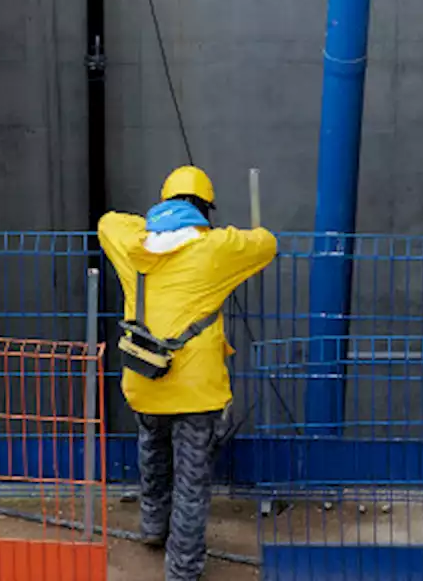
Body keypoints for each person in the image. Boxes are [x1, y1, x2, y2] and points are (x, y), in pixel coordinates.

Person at [98, 165, 276, 581]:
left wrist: (158, 224)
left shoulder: (133, 245)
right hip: (197, 390)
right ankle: (182, 569)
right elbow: (266, 243)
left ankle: (152, 528)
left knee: (152, 455)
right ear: (205, 209)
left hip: (146, 378)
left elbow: (109, 221)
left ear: (165, 203)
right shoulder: (216, 248)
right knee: (192, 482)